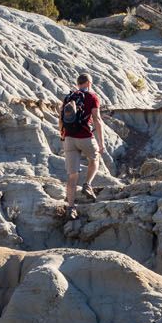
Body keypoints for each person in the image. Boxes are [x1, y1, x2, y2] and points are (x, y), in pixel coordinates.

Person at [59, 72, 105, 219]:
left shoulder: (68, 97)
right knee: (95, 157)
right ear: (89, 83)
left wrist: (62, 134)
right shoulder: (92, 97)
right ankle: (87, 184)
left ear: (78, 83)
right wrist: (101, 142)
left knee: (72, 176)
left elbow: (61, 118)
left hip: (69, 139)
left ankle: (71, 208)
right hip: (85, 137)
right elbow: (97, 119)